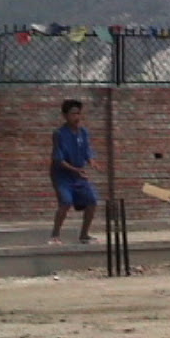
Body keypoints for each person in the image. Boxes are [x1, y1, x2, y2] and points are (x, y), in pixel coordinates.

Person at [49, 99, 100, 245]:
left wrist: (91, 161)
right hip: (62, 175)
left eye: (78, 113)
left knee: (92, 201)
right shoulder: (59, 134)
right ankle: (55, 235)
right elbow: (59, 159)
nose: (77, 117)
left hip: (79, 175)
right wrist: (76, 170)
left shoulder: (83, 132)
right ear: (65, 115)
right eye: (73, 114)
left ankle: (84, 235)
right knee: (65, 202)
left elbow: (87, 151)